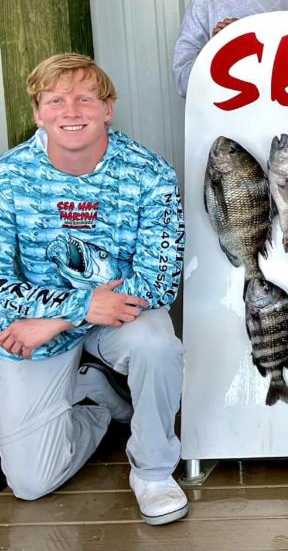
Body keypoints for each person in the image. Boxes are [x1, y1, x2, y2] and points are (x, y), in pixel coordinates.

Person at [0, 54, 187, 522]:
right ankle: (95, 403)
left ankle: (153, 471)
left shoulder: (150, 172)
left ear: (108, 108)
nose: (71, 111)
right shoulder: (8, 177)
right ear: (38, 113)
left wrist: (68, 316)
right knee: (30, 483)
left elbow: (161, 281)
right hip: (37, 326)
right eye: (56, 101)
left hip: (117, 316)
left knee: (157, 343)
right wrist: (78, 308)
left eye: (85, 99)